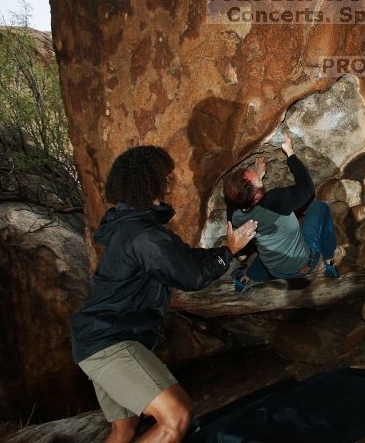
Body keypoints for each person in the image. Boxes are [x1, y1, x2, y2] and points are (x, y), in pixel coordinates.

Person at [70, 146, 257, 443]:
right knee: (175, 418)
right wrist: (229, 252)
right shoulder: (144, 235)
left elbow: (183, 259)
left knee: (124, 428)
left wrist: (223, 249)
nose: (171, 178)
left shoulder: (132, 226)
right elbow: (191, 276)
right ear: (150, 181)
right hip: (110, 341)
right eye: (165, 174)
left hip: (95, 337)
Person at [223, 131, 340, 294]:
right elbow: (307, 187)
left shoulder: (233, 213)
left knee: (266, 247)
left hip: (273, 269)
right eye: (256, 178)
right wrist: (290, 153)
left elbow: (245, 198)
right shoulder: (275, 201)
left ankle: (247, 278)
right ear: (257, 195)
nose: (257, 174)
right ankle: (329, 261)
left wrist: (257, 178)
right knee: (320, 207)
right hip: (303, 265)